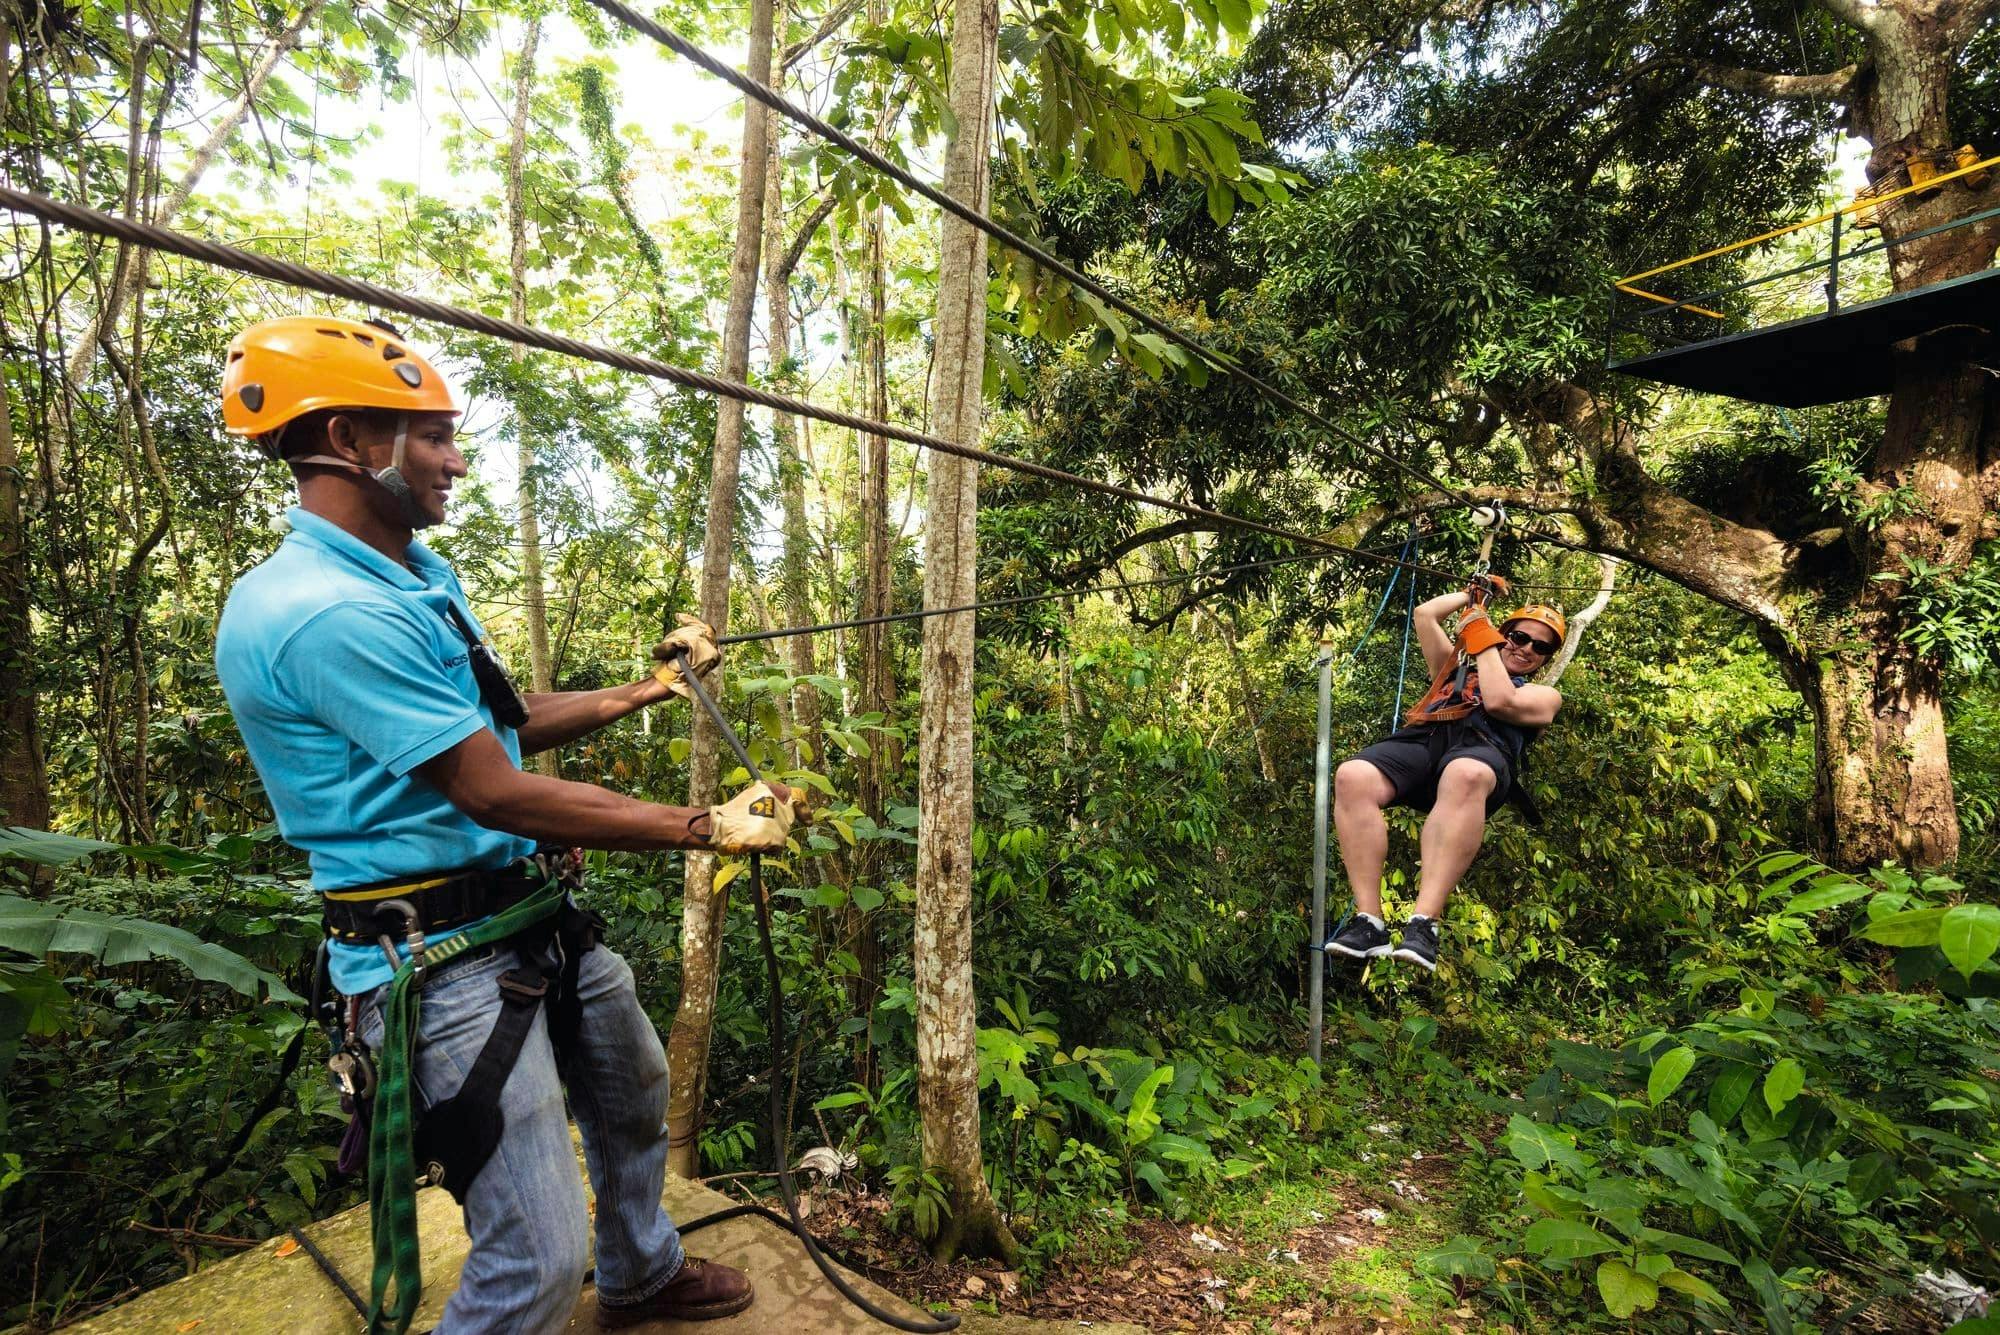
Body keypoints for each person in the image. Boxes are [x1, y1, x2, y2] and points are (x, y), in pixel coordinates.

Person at [213, 315, 792, 1332]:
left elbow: (498, 726)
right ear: (351, 441)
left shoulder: (410, 578)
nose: (455, 460)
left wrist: (647, 689)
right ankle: (578, 1276)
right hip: (437, 959)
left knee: (631, 1087)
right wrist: (702, 825)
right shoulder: (324, 610)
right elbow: (493, 789)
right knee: (532, 1256)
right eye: (431, 435)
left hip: (520, 912)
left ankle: (640, 1271)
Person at [1320, 578, 1566, 971]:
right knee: (1353, 775)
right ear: (1506, 635)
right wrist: (1472, 597)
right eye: (1520, 636)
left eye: (1541, 647)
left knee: (1465, 773)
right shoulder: (1452, 671)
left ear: (1546, 659)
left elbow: (1501, 702)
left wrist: (1480, 634)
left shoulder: (1542, 697)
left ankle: (1423, 924)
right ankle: (1369, 921)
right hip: (1426, 743)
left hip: (1482, 753)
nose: (1527, 648)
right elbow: (1425, 614)